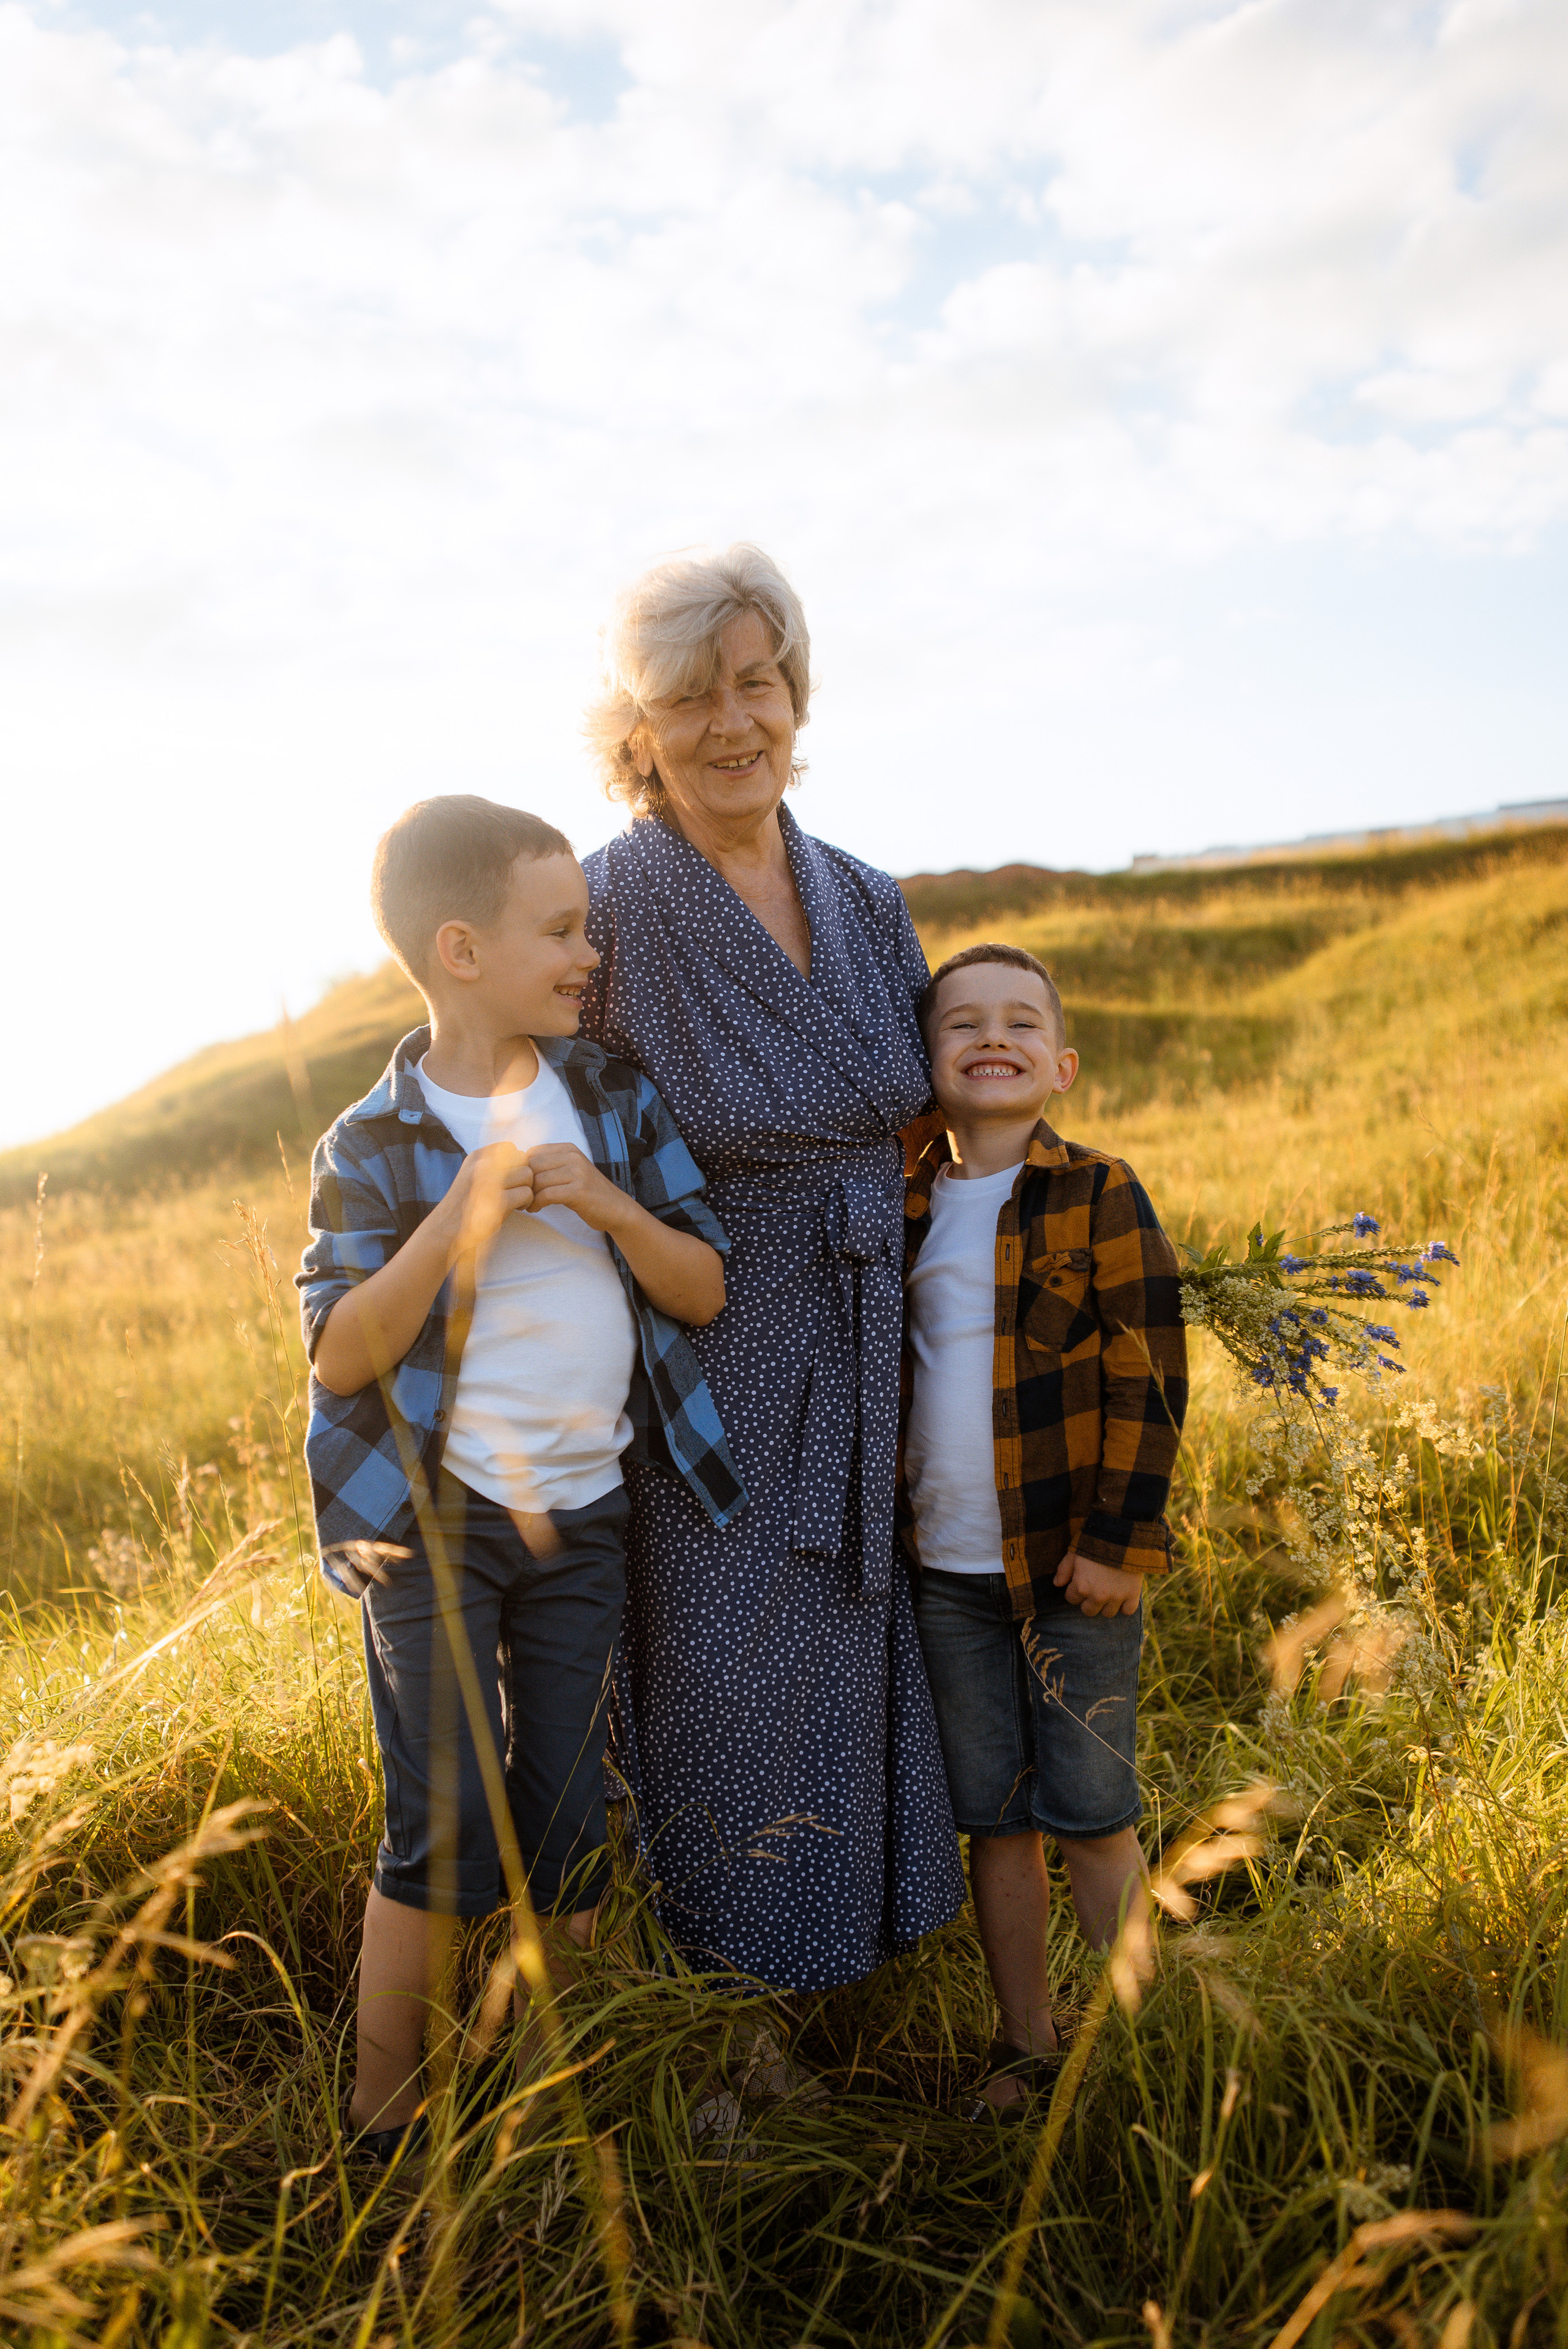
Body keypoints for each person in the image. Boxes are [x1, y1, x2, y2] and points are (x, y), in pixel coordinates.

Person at [297, 794, 743, 2163]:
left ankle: (574, 2098)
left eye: (586, 932)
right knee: (437, 1820)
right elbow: (341, 1355)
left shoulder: (607, 1097)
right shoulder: (369, 1143)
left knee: (568, 1809)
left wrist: (607, 1206)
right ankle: (384, 2127)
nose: (587, 957)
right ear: (460, 950)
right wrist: (458, 1215)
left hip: (586, 1517)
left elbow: (703, 1286)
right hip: (427, 1522)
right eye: (559, 931)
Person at [579, 544, 965, 2016]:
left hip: (881, 1344)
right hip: (706, 1362)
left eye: (758, 682)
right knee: (723, 1677)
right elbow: (517, 1095)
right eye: (691, 694)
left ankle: (856, 1981)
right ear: (638, 730)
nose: (731, 720)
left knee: (874, 1658)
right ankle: (729, 2018)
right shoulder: (604, 908)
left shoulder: (867, 901)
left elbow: (934, 1120)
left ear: (797, 701)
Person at [899, 942, 1189, 2117]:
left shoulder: (1100, 1191)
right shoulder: (905, 1197)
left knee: (1093, 1812)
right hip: (945, 1568)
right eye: (962, 1023)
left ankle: (1143, 2048)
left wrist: (1122, 1540)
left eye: (1022, 1022)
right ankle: (1026, 2045)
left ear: (1061, 1064)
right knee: (995, 1818)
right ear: (927, 1065)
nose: (994, 1037)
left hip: (1076, 1563)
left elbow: (1151, 1373)